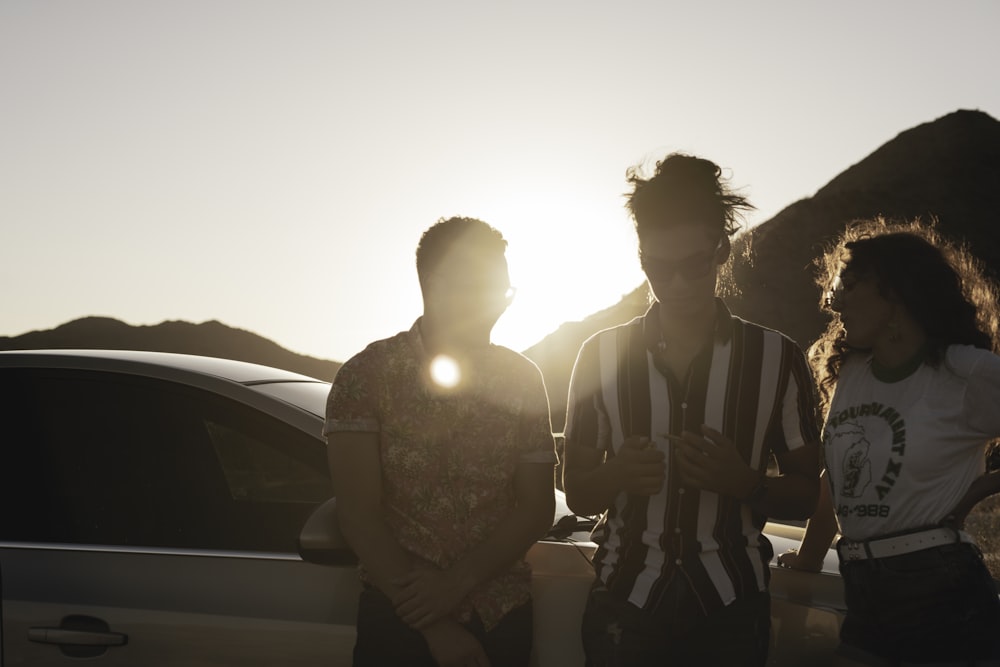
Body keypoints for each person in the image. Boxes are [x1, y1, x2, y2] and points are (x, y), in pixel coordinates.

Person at [563, 153, 822, 666]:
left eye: (693, 265)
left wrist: (743, 482)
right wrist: (617, 472)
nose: (677, 283)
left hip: (730, 609)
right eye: (659, 268)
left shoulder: (777, 358)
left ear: (721, 249)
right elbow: (576, 491)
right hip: (626, 606)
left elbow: (807, 496)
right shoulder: (600, 355)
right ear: (641, 259)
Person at [325, 216, 557, 667]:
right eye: (482, 288)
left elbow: (536, 507)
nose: (498, 306)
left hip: (501, 616)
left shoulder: (523, 379)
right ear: (434, 283)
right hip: (398, 621)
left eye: (503, 291)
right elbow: (358, 515)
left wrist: (455, 584)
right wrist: (435, 626)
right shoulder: (365, 377)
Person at [777, 218, 1000, 665]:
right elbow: (836, 476)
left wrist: (978, 489)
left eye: (849, 287)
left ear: (894, 292)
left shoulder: (965, 371)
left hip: (942, 593)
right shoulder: (852, 371)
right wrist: (808, 557)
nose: (833, 302)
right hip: (864, 589)